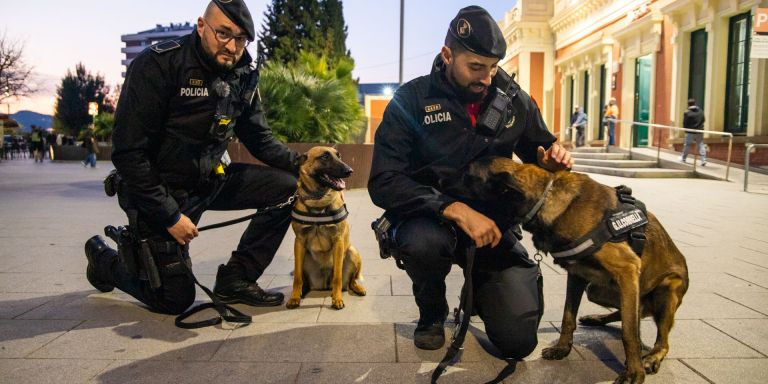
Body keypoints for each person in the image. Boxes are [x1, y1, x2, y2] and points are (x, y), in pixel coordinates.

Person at [368, 6, 572, 357]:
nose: (487, 78)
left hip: (493, 226)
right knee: (422, 244)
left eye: (493, 67)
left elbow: (541, 151)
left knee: (518, 343)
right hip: (429, 220)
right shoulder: (412, 100)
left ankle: (480, 289)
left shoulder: (513, 101)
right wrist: (453, 207)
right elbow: (384, 180)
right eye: (475, 67)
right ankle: (432, 312)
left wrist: (552, 163)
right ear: (447, 55)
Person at [84, 0, 299, 315]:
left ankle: (237, 279)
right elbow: (129, 153)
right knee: (175, 299)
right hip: (160, 190)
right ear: (201, 26)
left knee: (287, 188)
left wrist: (306, 166)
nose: (231, 45)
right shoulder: (158, 65)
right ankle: (104, 261)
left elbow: (259, 137)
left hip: (209, 180)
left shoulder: (243, 73)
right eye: (223, 34)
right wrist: (170, 216)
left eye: (241, 39)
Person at [681, 98, 706, 166]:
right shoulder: (700, 111)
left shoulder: (687, 112)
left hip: (690, 132)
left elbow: (685, 123)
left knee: (687, 145)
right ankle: (703, 160)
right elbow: (704, 119)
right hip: (699, 131)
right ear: (695, 103)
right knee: (701, 145)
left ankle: (683, 158)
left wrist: (686, 129)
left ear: (688, 104)